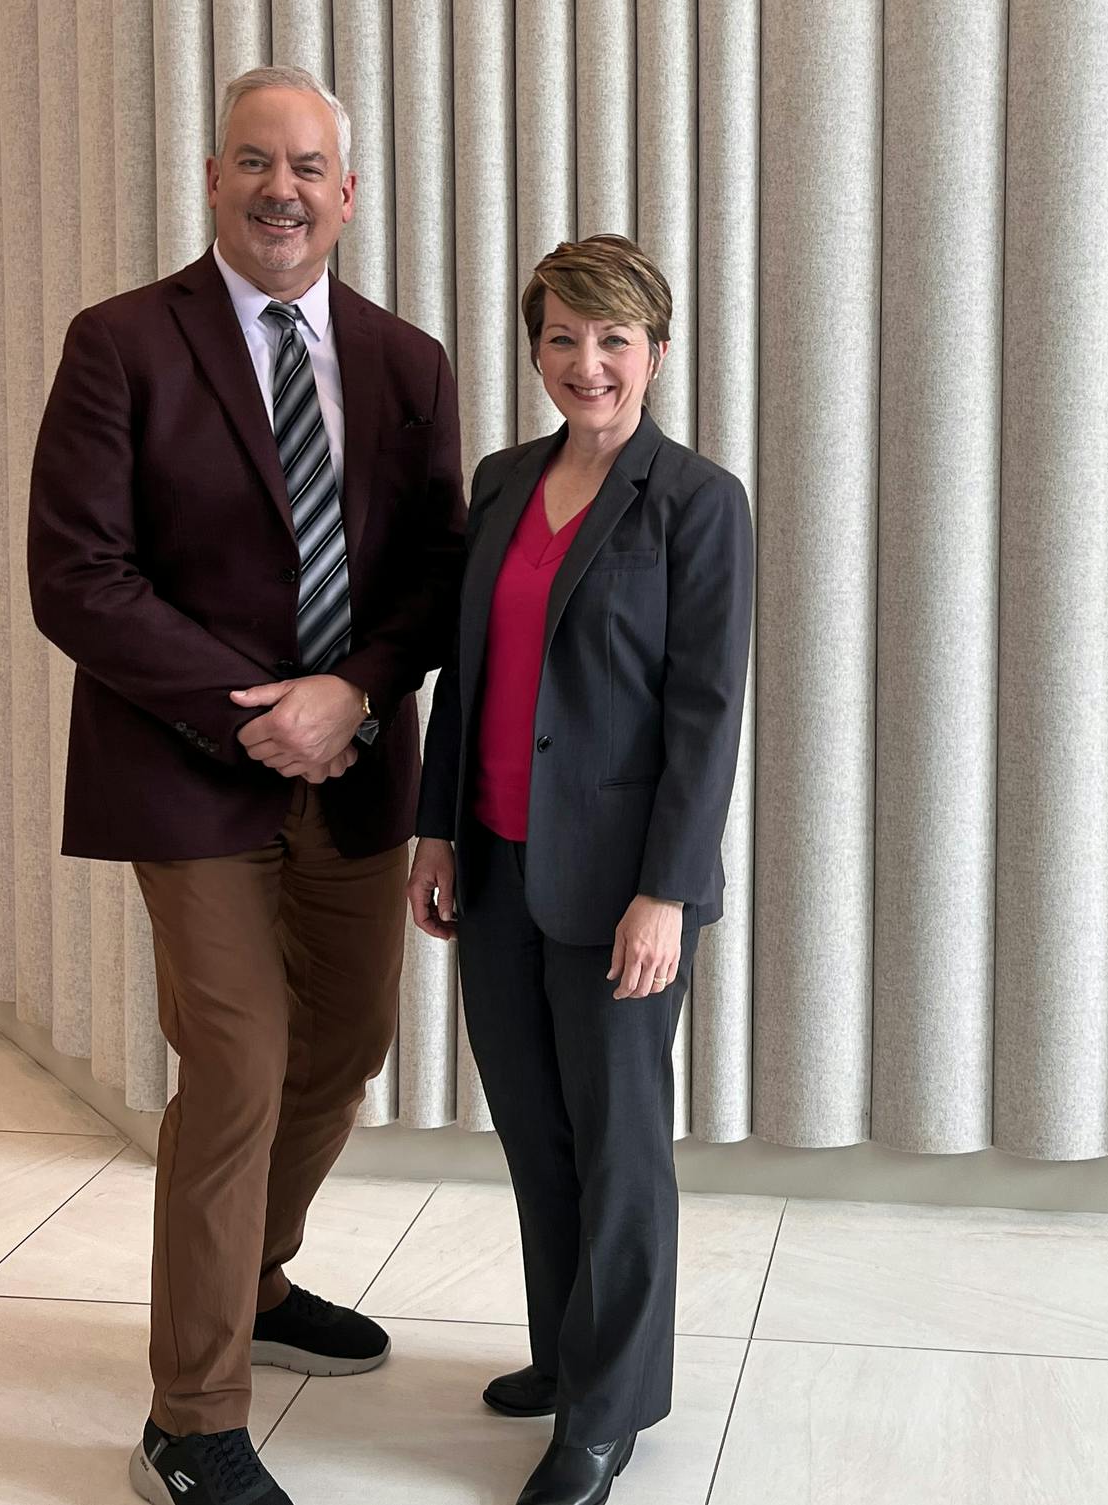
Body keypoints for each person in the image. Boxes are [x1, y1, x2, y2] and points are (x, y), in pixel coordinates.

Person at [27, 65, 465, 1505]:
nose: (283, 188)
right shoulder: (121, 345)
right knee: (237, 1063)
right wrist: (257, 712)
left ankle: (258, 1283)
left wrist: (353, 693)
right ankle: (191, 1407)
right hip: (188, 773)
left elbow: (428, 576)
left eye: (309, 167)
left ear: (349, 195)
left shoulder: (408, 363)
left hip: (352, 769)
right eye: (255, 161)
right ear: (212, 179)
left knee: (343, 1048)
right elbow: (77, 576)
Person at [407, 234, 754, 1505]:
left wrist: (667, 887)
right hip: (495, 861)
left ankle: (605, 1412)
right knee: (534, 1131)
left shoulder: (695, 500)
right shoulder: (501, 481)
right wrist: (435, 828)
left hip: (621, 886)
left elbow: (706, 712)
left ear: (654, 351)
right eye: (561, 338)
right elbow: (467, 671)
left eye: (613, 339)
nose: (586, 363)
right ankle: (563, 1351)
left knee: (618, 1148)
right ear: (536, 348)